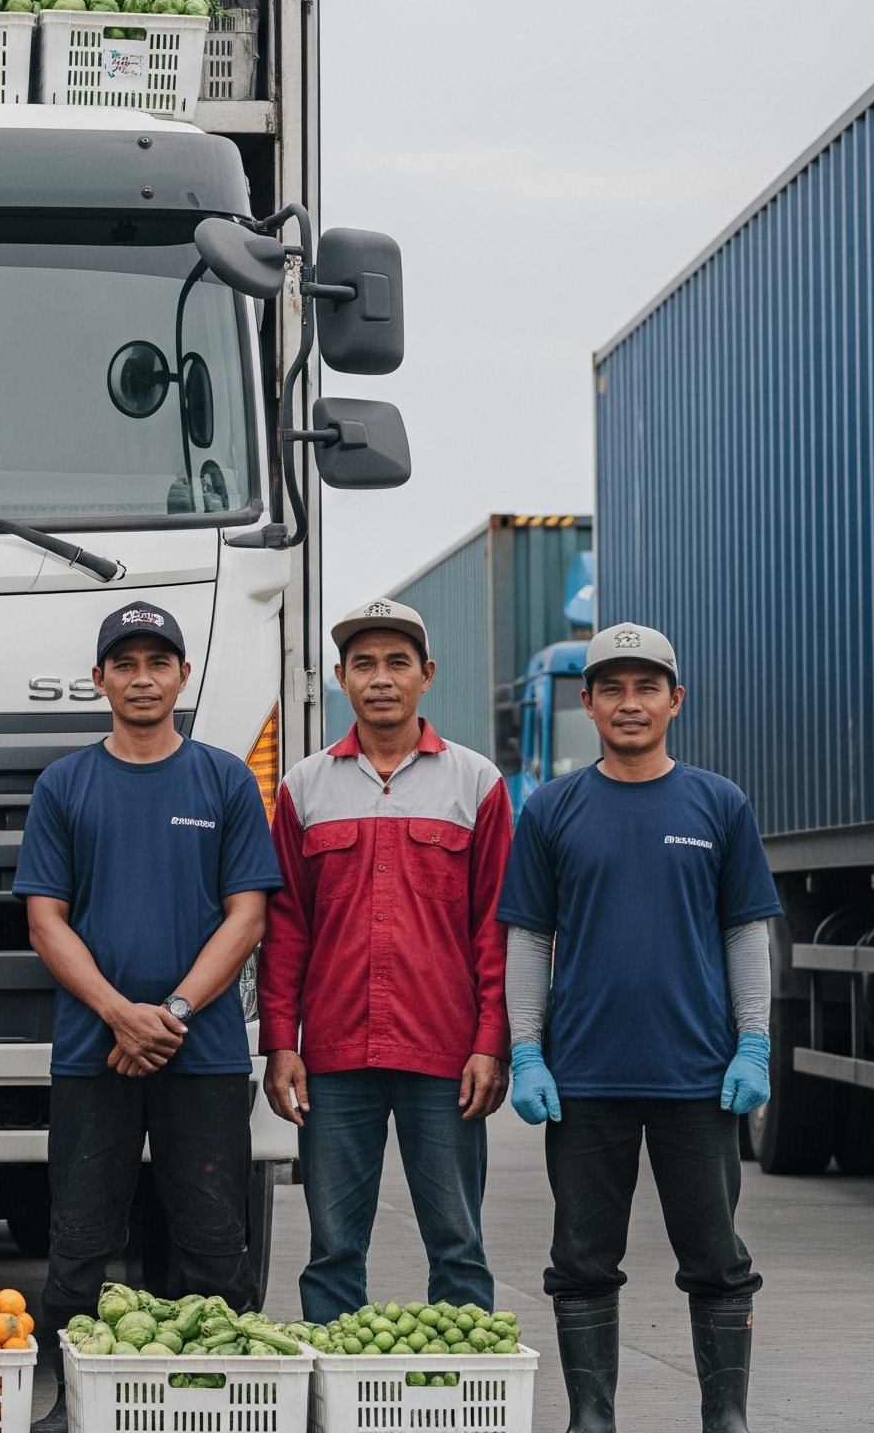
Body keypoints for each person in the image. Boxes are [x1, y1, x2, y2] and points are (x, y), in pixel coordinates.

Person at [498, 622, 772, 1433]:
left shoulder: (718, 804)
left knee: (718, 1262)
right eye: (611, 688)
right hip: (583, 1080)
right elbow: (527, 939)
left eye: (646, 687)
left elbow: (745, 933)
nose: (629, 703)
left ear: (674, 700)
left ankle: (726, 1418)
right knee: (581, 1264)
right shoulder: (552, 810)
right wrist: (526, 1051)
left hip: (699, 1077)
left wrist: (753, 1042)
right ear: (586, 703)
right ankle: (592, 1419)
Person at [16, 602, 279, 1433]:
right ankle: (72, 1402)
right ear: (99, 680)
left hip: (199, 1056)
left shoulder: (226, 779)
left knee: (211, 1241)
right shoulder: (65, 783)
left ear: (182, 677)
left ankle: (209, 1398)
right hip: (93, 1052)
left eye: (157, 662)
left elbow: (248, 916)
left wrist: (166, 1013)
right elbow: (45, 920)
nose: (141, 678)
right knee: (80, 1241)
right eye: (123, 664)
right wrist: (117, 1014)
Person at [261, 598, 512, 1324]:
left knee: (458, 1244)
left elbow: (496, 929)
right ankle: (335, 1401)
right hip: (336, 1057)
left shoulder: (477, 783)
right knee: (334, 1248)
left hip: (445, 1054)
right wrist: (282, 1043)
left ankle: (464, 1397)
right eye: (363, 663)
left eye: (397, 663)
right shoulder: (304, 788)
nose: (380, 678)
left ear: (426, 675)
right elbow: (286, 931)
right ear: (340, 677)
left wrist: (491, 1044)